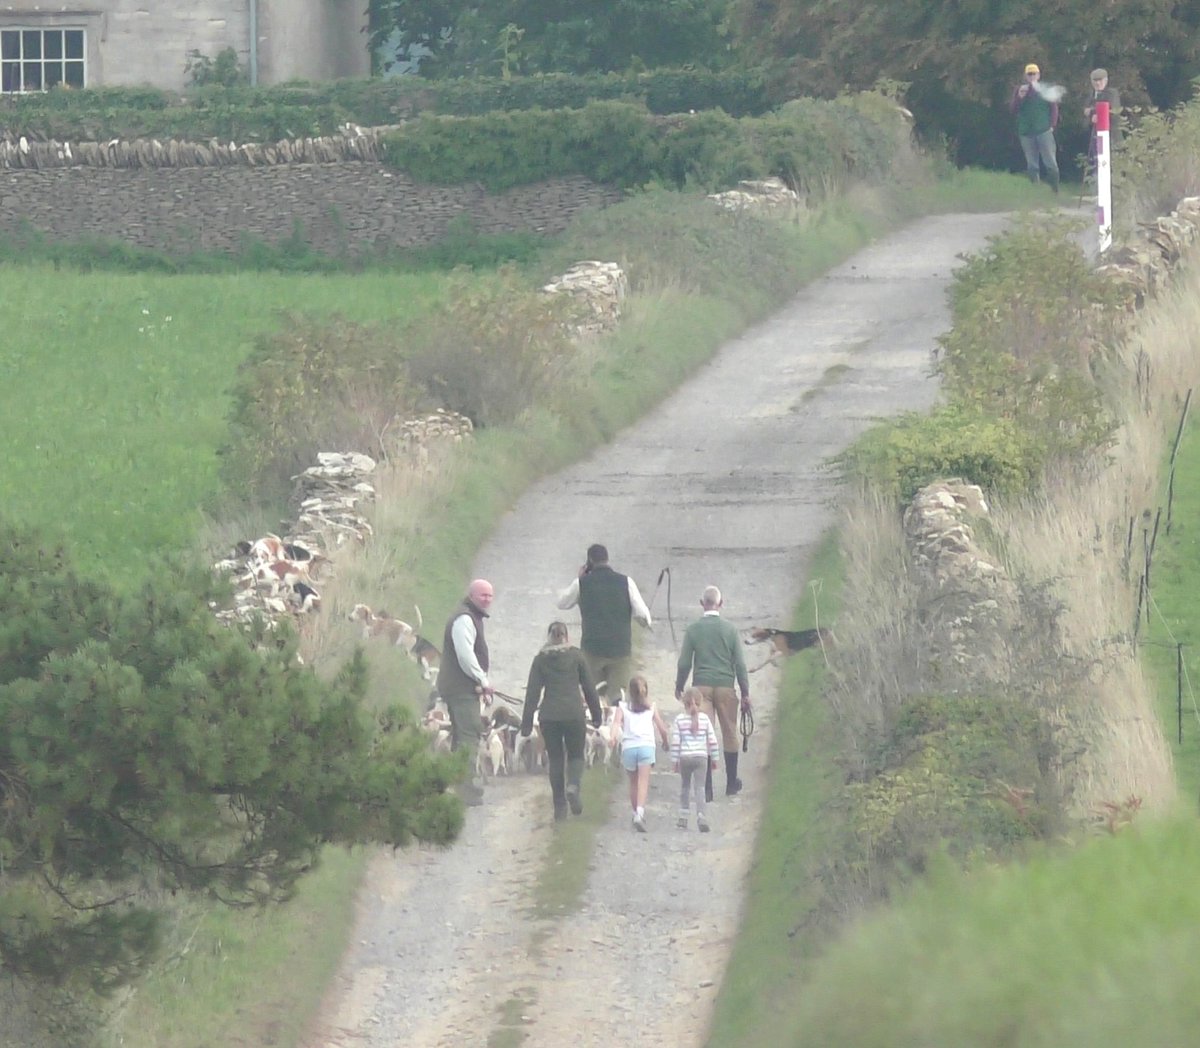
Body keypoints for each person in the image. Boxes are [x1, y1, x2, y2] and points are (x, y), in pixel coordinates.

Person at [521, 621, 603, 821]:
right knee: (576, 755)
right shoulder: (576, 656)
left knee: (556, 759)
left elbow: (532, 693)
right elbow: (590, 688)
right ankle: (573, 785)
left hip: (549, 716)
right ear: (567, 636)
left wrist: (525, 724)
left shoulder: (540, 659)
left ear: (548, 637)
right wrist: (597, 715)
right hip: (574, 714)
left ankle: (559, 808)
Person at [675, 585, 751, 799]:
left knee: (703, 735)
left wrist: (679, 686)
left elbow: (684, 663)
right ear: (721, 603)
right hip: (726, 687)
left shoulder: (693, 629)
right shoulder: (730, 630)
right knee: (729, 733)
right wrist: (745, 692)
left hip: (701, 688)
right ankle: (731, 783)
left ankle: (706, 788)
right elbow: (740, 664)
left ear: (702, 604)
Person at [557, 543, 652, 706]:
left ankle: (596, 727)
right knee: (618, 699)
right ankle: (615, 728)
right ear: (607, 560)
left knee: (593, 698)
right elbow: (644, 616)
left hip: (592, 649)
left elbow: (562, 603)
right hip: (620, 650)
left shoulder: (582, 584)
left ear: (589, 562)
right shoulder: (626, 582)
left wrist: (580, 578)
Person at [436, 578, 495, 805]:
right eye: (483, 595)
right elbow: (465, 655)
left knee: (462, 735)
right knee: (469, 735)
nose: (487, 599)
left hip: (460, 687)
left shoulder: (471, 616)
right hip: (461, 689)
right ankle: (466, 789)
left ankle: (460, 784)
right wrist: (482, 679)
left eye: (490, 595)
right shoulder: (464, 619)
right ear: (471, 596)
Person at [610, 674, 670, 832]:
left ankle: (634, 811)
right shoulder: (651, 707)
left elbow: (616, 724)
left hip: (629, 748)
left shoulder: (622, 707)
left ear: (629, 692)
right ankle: (640, 813)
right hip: (646, 747)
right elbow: (662, 728)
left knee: (633, 783)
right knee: (643, 782)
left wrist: (612, 738)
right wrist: (665, 742)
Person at [671, 687, 720, 832]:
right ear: (700, 703)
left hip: (685, 757)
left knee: (685, 786)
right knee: (700, 788)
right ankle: (701, 816)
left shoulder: (679, 720)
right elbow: (712, 740)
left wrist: (675, 761)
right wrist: (715, 758)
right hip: (701, 758)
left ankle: (683, 817)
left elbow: (675, 742)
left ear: (684, 703)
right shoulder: (705, 719)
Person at [1010, 62, 1060, 192]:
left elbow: (1054, 109)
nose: (1032, 76)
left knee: (1050, 163)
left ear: (1038, 75)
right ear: (1026, 76)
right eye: (1029, 74)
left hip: (1044, 130)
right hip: (1026, 131)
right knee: (1032, 164)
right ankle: (1035, 190)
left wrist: (1052, 126)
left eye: (1034, 73)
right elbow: (1013, 110)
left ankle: (1054, 190)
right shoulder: (1020, 90)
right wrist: (1020, 97)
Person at [1084, 68, 1121, 157]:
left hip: (1111, 136)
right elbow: (1085, 113)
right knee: (1097, 161)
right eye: (1095, 81)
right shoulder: (1091, 95)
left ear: (1106, 80)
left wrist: (1093, 112)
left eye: (1100, 80)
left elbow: (1112, 109)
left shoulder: (1112, 93)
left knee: (1109, 162)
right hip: (1096, 135)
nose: (1097, 83)